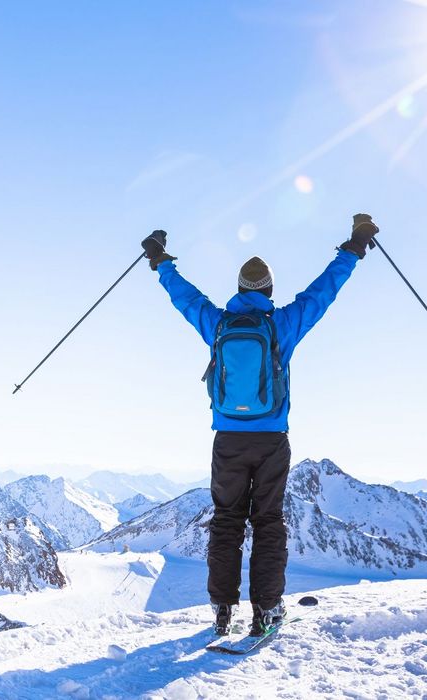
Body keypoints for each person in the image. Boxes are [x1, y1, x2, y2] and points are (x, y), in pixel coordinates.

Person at [141, 214, 379, 636]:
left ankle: (221, 610)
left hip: (227, 437)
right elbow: (323, 292)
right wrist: (354, 247)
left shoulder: (218, 324)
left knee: (226, 521)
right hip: (271, 439)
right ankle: (267, 610)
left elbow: (184, 297)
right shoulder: (281, 325)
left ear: (238, 290)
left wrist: (161, 260)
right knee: (267, 522)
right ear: (268, 289)